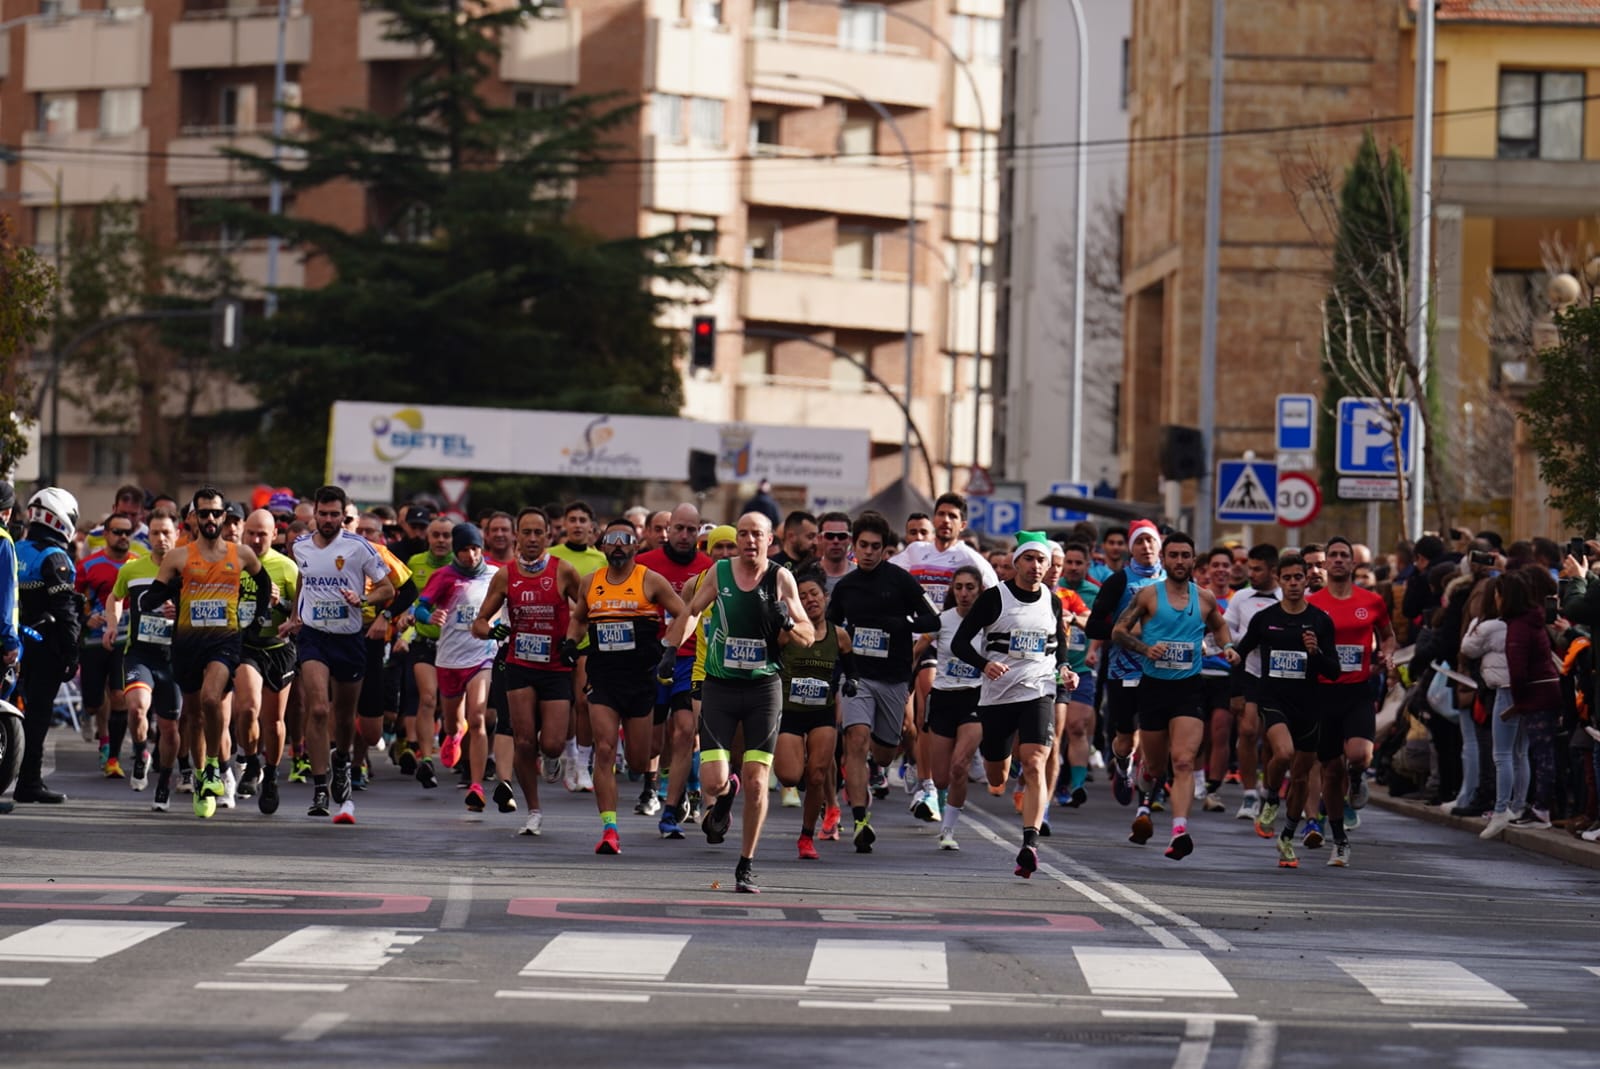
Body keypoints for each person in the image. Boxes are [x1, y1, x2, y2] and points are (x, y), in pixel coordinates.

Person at [662, 512, 812, 893]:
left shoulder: (781, 578)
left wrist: (790, 624)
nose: (748, 541)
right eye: (742, 533)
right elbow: (693, 611)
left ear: (769, 540)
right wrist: (670, 648)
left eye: (755, 534)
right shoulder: (720, 572)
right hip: (720, 686)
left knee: (759, 782)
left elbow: (809, 635)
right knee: (713, 780)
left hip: (763, 688)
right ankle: (726, 796)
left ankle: (745, 864)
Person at [140, 487, 272, 819]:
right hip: (186, 644)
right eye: (204, 513)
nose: (210, 519)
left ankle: (214, 765)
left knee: (213, 700)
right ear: (193, 518)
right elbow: (155, 593)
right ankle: (202, 781)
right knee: (194, 716)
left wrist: (256, 617)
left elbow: (265, 584)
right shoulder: (178, 557)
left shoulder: (241, 554)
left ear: (225, 516)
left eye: (216, 513)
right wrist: (153, 598)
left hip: (224, 642)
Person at [952, 532, 1077, 876]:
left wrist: (1065, 669)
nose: (1036, 566)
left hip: (1038, 690)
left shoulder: (1052, 600)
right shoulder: (995, 598)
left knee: (1036, 761)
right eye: (1030, 559)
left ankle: (1030, 843)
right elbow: (961, 643)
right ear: (1017, 562)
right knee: (997, 776)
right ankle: (1003, 769)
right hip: (997, 697)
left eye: (1042, 560)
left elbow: (1059, 645)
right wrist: (984, 664)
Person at [565, 519, 687, 854]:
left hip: (641, 679)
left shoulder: (650, 580)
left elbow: (685, 613)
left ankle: (655, 777)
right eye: (611, 539)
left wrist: (670, 647)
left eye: (625, 540)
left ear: (636, 546)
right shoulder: (590, 582)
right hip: (603, 677)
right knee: (604, 750)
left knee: (638, 760)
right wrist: (570, 642)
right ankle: (610, 829)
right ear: (602, 545)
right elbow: (578, 618)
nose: (618, 545)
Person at [1111, 532, 1234, 860]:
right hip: (1153, 688)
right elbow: (1119, 631)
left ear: (1194, 560)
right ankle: (1145, 799)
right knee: (1154, 764)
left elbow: (1220, 627)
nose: (1180, 561)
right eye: (1174, 555)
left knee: (1182, 760)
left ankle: (1179, 830)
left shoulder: (1204, 598)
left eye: (1186, 555)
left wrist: (1229, 647)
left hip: (1189, 689)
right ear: (1164, 560)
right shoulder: (1149, 595)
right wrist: (1146, 648)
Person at [281, 486, 397, 824]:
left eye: (336, 515)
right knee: (318, 708)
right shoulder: (300, 545)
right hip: (314, 637)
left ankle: (343, 761)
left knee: (345, 717)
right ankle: (320, 786)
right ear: (314, 514)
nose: (330, 520)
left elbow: (388, 588)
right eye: (324, 514)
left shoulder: (359, 547)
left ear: (344, 516)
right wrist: (294, 617)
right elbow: (304, 576)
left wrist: (362, 601)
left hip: (349, 639)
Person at [825, 511, 940, 852]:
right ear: (854, 548)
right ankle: (861, 820)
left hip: (893, 679)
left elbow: (931, 617)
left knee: (885, 752)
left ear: (885, 549)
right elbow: (830, 630)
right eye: (864, 546)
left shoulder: (900, 581)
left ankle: (883, 766)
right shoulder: (846, 586)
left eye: (876, 547)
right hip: (858, 675)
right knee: (855, 741)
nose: (870, 552)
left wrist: (903, 622)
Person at [471, 506, 581, 837]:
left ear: (549, 536)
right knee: (521, 740)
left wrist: (573, 639)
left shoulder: (564, 571)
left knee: (551, 743)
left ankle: (552, 757)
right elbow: (478, 622)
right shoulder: (504, 575)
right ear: (517, 536)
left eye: (538, 533)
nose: (532, 539)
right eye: (527, 532)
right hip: (519, 664)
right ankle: (533, 810)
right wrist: (492, 631)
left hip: (556, 667)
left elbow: (585, 611)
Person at [1230, 552, 1340, 869]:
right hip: (1273, 699)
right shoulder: (1265, 618)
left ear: (1307, 580)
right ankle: (1270, 797)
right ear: (1279, 580)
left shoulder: (1320, 621)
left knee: (1303, 778)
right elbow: (1240, 654)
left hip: (1308, 704)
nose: (1293, 583)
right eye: (1287, 578)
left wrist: (1315, 652)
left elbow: (1333, 671)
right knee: (1283, 753)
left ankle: (1287, 838)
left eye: (1298, 578)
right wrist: (1237, 692)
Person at [1308, 535, 1395, 865]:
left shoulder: (1371, 601)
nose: (1340, 560)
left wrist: (1386, 656)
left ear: (1353, 563)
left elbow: (1387, 637)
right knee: (1330, 770)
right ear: (1326, 563)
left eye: (1345, 555)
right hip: (1322, 691)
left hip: (1358, 689)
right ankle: (1340, 839)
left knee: (1359, 755)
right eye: (1334, 555)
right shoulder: (1312, 602)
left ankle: (1357, 778)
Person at [410, 524, 499, 813]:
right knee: (452, 722)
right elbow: (420, 608)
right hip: (449, 658)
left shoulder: (495, 575)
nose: (471, 555)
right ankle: (453, 735)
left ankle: (476, 785)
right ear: (456, 551)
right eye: (464, 550)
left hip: (481, 655)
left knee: (477, 718)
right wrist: (429, 615)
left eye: (475, 548)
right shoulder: (445, 576)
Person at [1084, 520, 1165, 808]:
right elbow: (1093, 626)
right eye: (1139, 542)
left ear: (1159, 545)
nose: (1146, 547)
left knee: (1158, 734)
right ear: (1132, 548)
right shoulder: (1119, 581)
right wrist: (1127, 632)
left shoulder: (1174, 582)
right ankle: (1122, 765)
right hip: (1124, 671)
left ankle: (1150, 790)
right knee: (1126, 738)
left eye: (1150, 541)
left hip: (1164, 673)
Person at [104, 508, 180, 809]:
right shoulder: (133, 569)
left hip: (173, 658)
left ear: (176, 536)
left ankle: (163, 783)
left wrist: (181, 613)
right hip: (139, 654)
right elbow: (115, 597)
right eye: (155, 533)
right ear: (147, 536)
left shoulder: (187, 570)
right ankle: (140, 751)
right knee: (137, 710)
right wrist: (112, 623)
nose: (161, 539)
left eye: (166, 533)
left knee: (170, 728)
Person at [13, 488, 83, 804]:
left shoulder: (16, 549)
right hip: (44, 648)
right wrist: (72, 652)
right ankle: (29, 782)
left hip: (13, 643)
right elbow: (65, 610)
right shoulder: (54, 557)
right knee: (38, 717)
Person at [775, 568, 848, 859]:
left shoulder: (839, 635)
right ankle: (800, 774)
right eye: (802, 596)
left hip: (822, 713)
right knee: (791, 777)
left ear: (826, 597)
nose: (809, 600)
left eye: (814, 594)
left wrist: (852, 683)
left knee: (818, 775)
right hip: (790, 712)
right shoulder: (785, 634)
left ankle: (806, 837)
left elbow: (852, 669)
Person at [233, 509, 300, 813]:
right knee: (247, 708)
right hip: (246, 645)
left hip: (277, 648)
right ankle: (250, 761)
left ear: (275, 536)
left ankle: (271, 774)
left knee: (273, 722)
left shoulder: (287, 568)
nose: (257, 539)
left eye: (263, 534)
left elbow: (299, 617)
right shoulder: (231, 563)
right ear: (243, 533)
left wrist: (281, 603)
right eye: (252, 533)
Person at [916, 565, 987, 850]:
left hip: (975, 698)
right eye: (958, 587)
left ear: (979, 590)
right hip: (943, 698)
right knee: (942, 775)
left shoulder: (989, 623)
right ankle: (936, 796)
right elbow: (916, 651)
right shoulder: (941, 621)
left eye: (970, 587)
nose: (964, 593)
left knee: (960, 766)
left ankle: (948, 830)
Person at [76, 513, 141, 779]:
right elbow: (75, 598)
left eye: (128, 533)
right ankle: (101, 733)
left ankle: (112, 755)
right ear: (106, 534)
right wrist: (86, 617)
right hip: (93, 640)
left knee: (118, 695)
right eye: (118, 532)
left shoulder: (138, 565)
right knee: (94, 702)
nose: (123, 537)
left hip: (125, 640)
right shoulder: (89, 565)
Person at [1222, 544, 1282, 819]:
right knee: (1246, 731)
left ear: (1273, 570)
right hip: (1248, 670)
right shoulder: (1241, 598)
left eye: (1258, 569)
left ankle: (1269, 790)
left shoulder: (1288, 596)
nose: (1252, 573)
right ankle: (1248, 795)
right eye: (1251, 568)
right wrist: (1241, 640)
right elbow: (1225, 631)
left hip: (1279, 675)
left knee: (1272, 740)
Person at [1055, 542, 1099, 808]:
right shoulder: (1052, 589)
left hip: (1081, 668)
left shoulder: (1095, 593)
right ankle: (1057, 780)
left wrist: (1093, 649)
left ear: (1086, 565)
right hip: (1050, 669)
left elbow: (1099, 626)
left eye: (1078, 563)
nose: (1072, 567)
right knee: (1055, 732)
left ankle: (1078, 784)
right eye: (1067, 562)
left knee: (1077, 726)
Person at [814, 511, 854, 595]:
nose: (836, 541)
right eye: (830, 536)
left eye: (841, 536)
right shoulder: (808, 573)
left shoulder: (861, 575)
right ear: (820, 538)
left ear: (850, 539)